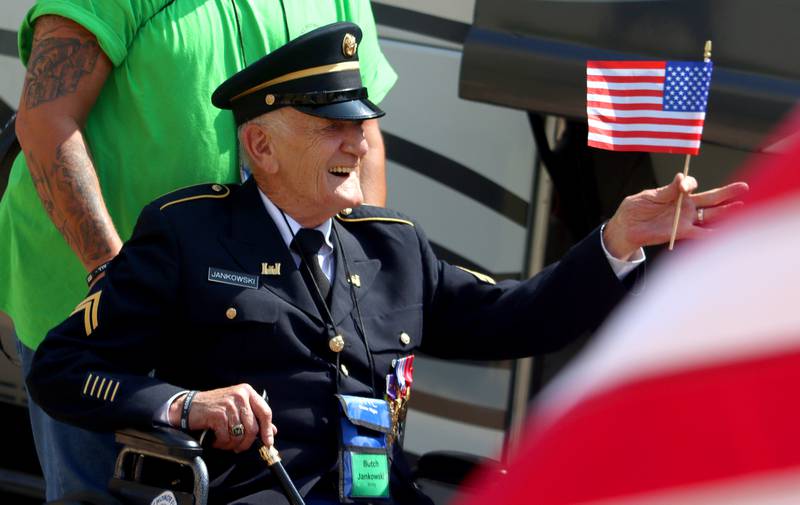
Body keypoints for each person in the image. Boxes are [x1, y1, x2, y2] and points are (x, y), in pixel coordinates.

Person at [28, 22, 747, 505]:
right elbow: (59, 369)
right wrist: (188, 406)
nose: (356, 145)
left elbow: (513, 319)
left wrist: (618, 238)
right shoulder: (189, 236)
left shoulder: (389, 246)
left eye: (360, 126)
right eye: (331, 127)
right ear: (263, 147)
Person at [1, 0, 396, 500]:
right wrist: (117, 285)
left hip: (254, 322)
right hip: (106, 317)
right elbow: (45, 120)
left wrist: (352, 298)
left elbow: (365, 139)